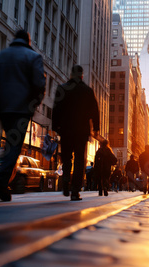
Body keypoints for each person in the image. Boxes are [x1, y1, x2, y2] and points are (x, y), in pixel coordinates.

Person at [0, 30, 46, 201]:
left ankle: (2, 180)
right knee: (13, 146)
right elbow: (39, 84)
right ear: (28, 41)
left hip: (3, 108)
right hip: (21, 109)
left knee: (9, 144)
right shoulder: (33, 57)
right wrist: (34, 104)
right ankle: (1, 181)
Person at [52, 65, 100, 201]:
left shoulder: (62, 88)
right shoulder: (87, 91)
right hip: (81, 131)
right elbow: (95, 111)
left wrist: (55, 126)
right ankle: (75, 191)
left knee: (66, 157)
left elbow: (56, 108)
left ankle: (66, 179)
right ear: (82, 76)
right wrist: (95, 128)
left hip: (66, 130)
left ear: (71, 75)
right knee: (80, 160)